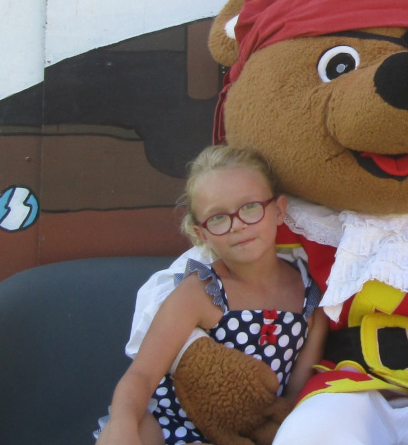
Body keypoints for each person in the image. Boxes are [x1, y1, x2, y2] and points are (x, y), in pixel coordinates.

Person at [95, 145, 327, 445]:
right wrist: (123, 426)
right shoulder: (200, 291)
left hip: (249, 433)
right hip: (174, 424)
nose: (238, 224)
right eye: (218, 218)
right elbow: (141, 376)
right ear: (201, 234)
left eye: (251, 207)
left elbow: (295, 398)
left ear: (279, 210)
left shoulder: (309, 300)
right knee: (131, 429)